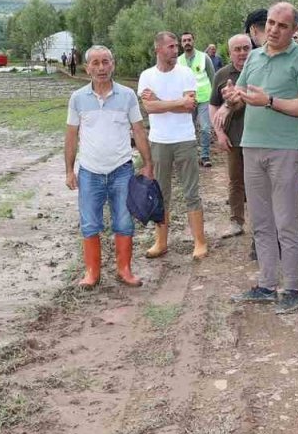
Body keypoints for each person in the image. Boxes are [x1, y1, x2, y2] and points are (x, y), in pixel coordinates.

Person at [228, 3, 298, 314]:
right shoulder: (253, 56)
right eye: (270, 23)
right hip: (251, 146)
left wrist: (268, 101)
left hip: (286, 150)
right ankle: (266, 285)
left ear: (294, 30)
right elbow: (241, 97)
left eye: (282, 25)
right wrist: (231, 100)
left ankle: (291, 288)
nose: (273, 29)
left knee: (286, 222)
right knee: (261, 221)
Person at [64, 45, 154, 288]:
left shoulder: (127, 96)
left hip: (121, 171)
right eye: (95, 63)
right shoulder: (78, 98)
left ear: (113, 65)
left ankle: (124, 270)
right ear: (87, 68)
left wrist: (148, 164)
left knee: (124, 221)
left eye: (105, 62)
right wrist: (68, 170)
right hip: (89, 173)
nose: (101, 68)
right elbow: (71, 135)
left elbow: (138, 130)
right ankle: (92, 273)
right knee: (90, 223)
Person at [138, 31, 209, 261]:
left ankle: (199, 241)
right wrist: (175, 102)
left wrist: (159, 101)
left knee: (191, 192)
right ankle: (161, 242)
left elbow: (189, 107)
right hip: (159, 141)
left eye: (176, 45)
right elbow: (149, 109)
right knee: (161, 194)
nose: (175, 49)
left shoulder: (186, 73)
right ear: (157, 49)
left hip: (185, 139)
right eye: (170, 46)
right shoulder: (146, 76)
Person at [210, 34, 253, 239]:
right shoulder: (221, 75)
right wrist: (219, 133)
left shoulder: (260, 69)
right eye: (237, 49)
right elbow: (213, 106)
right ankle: (236, 221)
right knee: (236, 180)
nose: (242, 52)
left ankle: (262, 224)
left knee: (259, 182)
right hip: (234, 137)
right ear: (229, 52)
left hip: (260, 137)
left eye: (246, 48)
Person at [179, 32, 218, 168]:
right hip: (187, 101)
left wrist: (215, 98)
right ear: (181, 43)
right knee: (187, 130)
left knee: (206, 128)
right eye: (184, 40)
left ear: (193, 41)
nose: (187, 42)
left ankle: (205, 156)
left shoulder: (204, 57)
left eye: (189, 40)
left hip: (204, 98)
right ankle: (190, 157)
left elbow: (213, 78)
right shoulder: (179, 61)